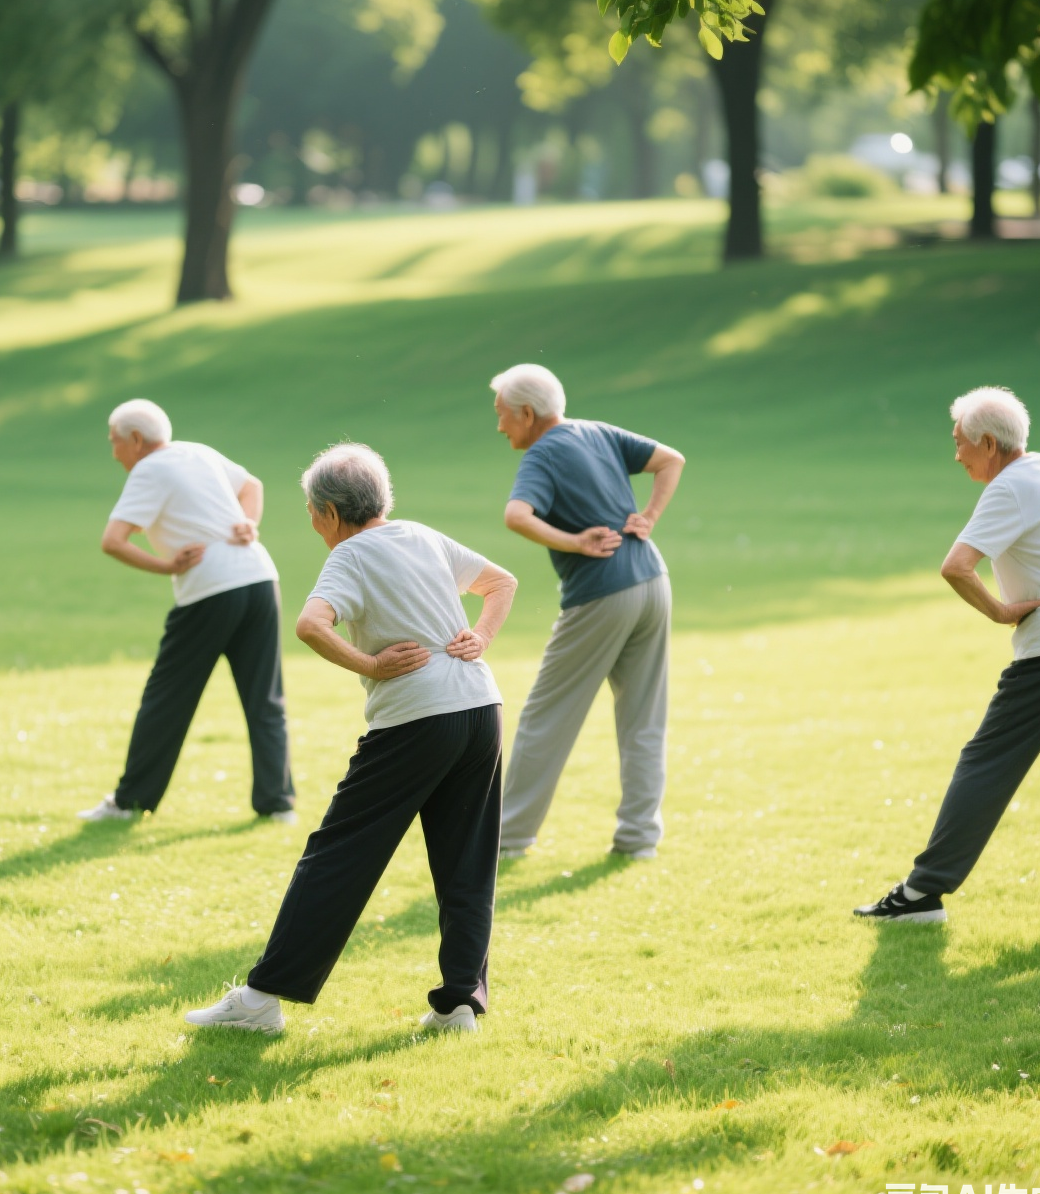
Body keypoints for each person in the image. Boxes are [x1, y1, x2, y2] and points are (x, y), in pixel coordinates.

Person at [184, 443, 517, 1034]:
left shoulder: (350, 555)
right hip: (480, 710)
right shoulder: (422, 535)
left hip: (419, 718)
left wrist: (372, 664)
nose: (312, 524)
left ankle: (261, 1002)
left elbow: (310, 624)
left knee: (336, 856)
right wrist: (481, 636)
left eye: (312, 513)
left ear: (333, 513)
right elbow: (501, 582)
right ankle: (460, 1006)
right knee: (467, 863)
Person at [856, 386, 1040, 922]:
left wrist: (999, 611)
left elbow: (956, 565)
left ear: (988, 443)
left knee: (986, 762)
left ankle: (922, 894)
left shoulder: (1009, 488)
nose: (957, 455)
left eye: (961, 443)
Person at [491, 364, 685, 860]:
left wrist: (575, 542)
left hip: (603, 593)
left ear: (528, 414)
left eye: (503, 415)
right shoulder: (598, 431)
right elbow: (671, 459)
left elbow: (516, 515)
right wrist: (650, 518)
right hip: (653, 581)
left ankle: (508, 838)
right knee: (644, 718)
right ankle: (639, 841)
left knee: (544, 716)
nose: (500, 427)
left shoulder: (543, 453)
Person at [75, 400, 295, 824]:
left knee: (166, 698)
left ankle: (129, 803)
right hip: (260, 579)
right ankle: (277, 804)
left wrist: (167, 566)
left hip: (211, 591)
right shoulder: (198, 451)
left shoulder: (149, 469)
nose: (114, 452)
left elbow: (113, 540)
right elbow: (253, 486)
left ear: (136, 440)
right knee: (265, 698)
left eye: (115, 442)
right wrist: (250, 523)